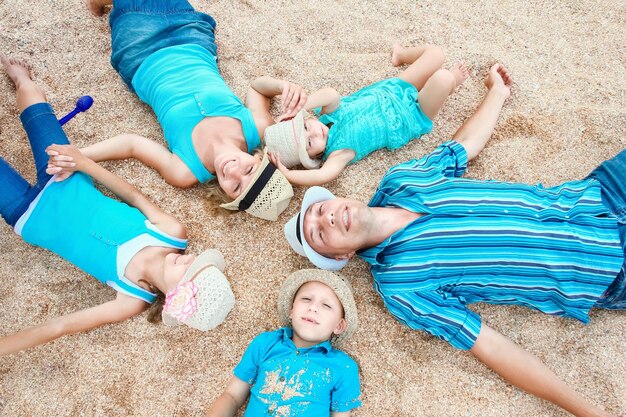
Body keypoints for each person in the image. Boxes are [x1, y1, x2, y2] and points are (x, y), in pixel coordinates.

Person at [283, 63, 625, 416]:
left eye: (322, 209)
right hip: (602, 266)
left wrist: (496, 94)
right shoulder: (401, 287)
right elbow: (490, 346)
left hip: (597, 195)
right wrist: (585, 410)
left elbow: (462, 147)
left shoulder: (399, 181)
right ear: (342, 257)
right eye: (320, 233)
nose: (328, 217)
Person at [0, 56, 236, 356]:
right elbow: (133, 196)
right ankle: (21, 78)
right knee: (34, 102)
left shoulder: (131, 299)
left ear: (175, 298)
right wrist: (83, 162)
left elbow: (60, 327)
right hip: (67, 176)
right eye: (198, 262)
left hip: (28, 216)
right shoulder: (173, 234)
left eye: (191, 273)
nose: (190, 260)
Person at [81, 0, 298, 220]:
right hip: (191, 36)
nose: (233, 172)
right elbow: (258, 89)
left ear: (224, 194)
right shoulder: (257, 128)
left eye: (235, 187)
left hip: (141, 53)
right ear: (260, 158)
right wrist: (283, 87)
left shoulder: (185, 171)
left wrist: (80, 156)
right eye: (249, 170)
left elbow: (132, 146)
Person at [263, 43, 469, 186]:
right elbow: (324, 175)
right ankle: (450, 84)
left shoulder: (326, 114)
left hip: (392, 90)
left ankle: (401, 55)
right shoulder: (338, 153)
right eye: (309, 143)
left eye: (306, 127)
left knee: (436, 54)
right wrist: (289, 174)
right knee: (442, 78)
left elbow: (331, 95)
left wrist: (302, 106)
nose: (315, 134)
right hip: (411, 118)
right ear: (314, 156)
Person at [206, 269, 361, 417]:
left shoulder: (343, 367)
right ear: (291, 310)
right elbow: (232, 395)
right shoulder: (265, 343)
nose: (313, 307)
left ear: (339, 326)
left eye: (326, 305)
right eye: (306, 299)